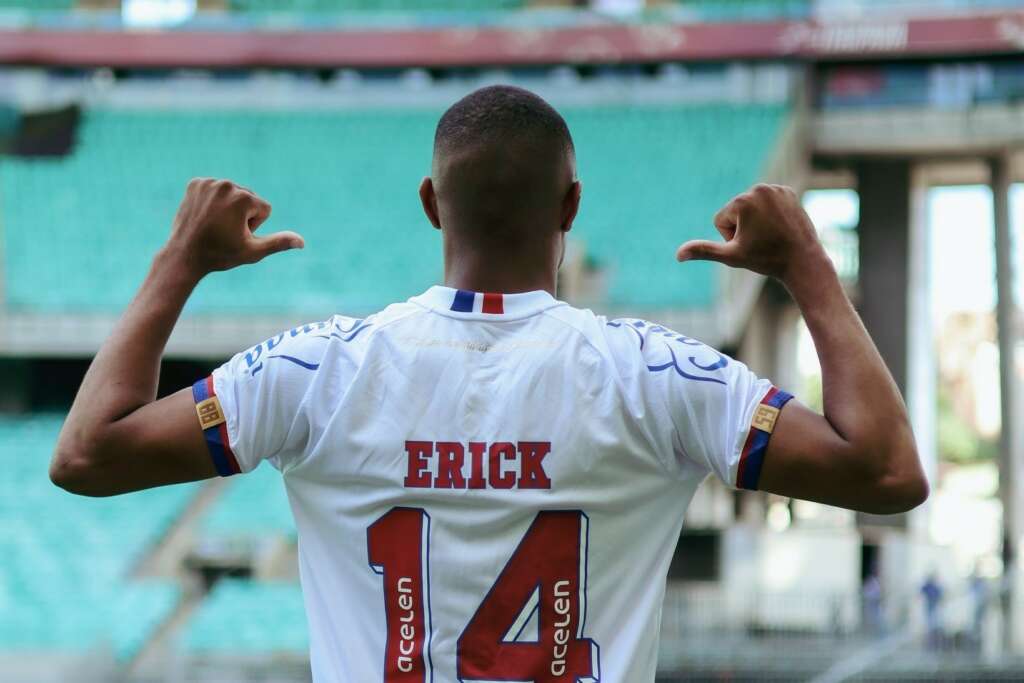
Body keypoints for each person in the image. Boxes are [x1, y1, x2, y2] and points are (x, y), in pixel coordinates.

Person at [49, 85, 928, 682]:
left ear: (432, 203)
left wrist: (182, 260)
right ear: (572, 206)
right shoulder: (660, 374)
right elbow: (888, 473)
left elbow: (87, 452)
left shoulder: (315, 368)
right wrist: (805, 264)